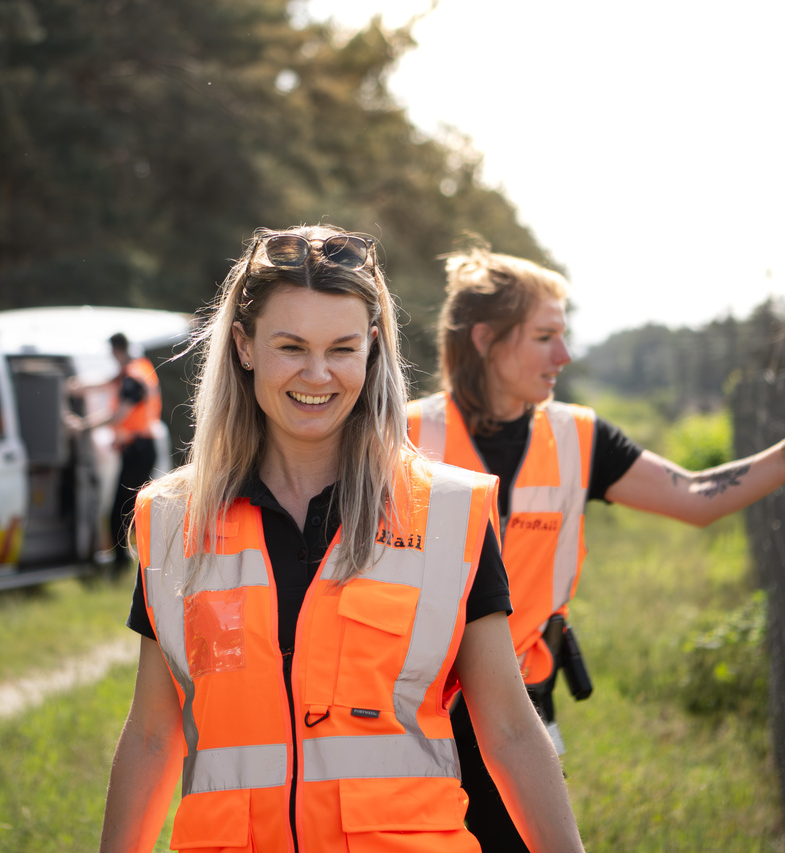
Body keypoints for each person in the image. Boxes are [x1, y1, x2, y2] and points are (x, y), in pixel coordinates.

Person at [99, 226, 586, 853]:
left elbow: (511, 730)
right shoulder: (173, 520)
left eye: (342, 348)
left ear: (372, 349)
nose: (318, 374)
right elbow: (151, 736)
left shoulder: (450, 514)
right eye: (292, 346)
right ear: (245, 346)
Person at [407, 247, 785, 852]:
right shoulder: (401, 436)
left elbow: (694, 495)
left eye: (563, 335)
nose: (564, 355)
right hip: (410, 705)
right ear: (484, 339)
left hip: (518, 701)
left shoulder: (578, 437)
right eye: (544, 337)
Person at [70, 332, 161, 570]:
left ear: (114, 351)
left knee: (121, 511)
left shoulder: (131, 377)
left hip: (137, 449)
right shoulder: (138, 368)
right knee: (130, 508)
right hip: (139, 447)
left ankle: (121, 565)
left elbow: (120, 413)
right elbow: (108, 383)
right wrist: (79, 387)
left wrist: (84, 425)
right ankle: (129, 562)